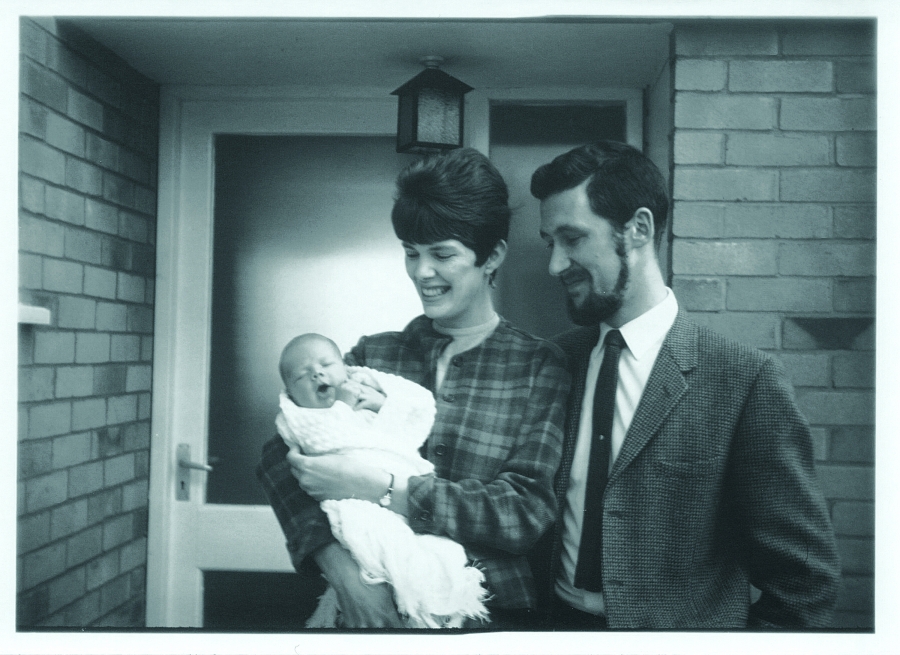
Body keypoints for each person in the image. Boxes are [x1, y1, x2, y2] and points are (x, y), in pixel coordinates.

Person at [528, 140, 841, 630]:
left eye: (573, 239)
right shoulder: (556, 361)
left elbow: (804, 584)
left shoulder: (743, 381)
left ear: (639, 229)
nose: (555, 265)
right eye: (551, 243)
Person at [256, 147, 570, 629]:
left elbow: (522, 514)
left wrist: (384, 489)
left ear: (493, 257)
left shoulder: (536, 366)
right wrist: (347, 576)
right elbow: (281, 459)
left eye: (442, 254)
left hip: (485, 617)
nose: (422, 273)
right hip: (364, 617)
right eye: (411, 252)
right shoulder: (372, 357)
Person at [274, 333, 489, 628]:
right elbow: (285, 457)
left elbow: (415, 414)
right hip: (353, 518)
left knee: (435, 558)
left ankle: (427, 604)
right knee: (377, 543)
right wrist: (348, 578)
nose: (317, 373)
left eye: (325, 364)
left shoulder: (540, 361)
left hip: (493, 590)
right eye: (302, 376)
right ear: (290, 393)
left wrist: (383, 404)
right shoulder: (306, 415)